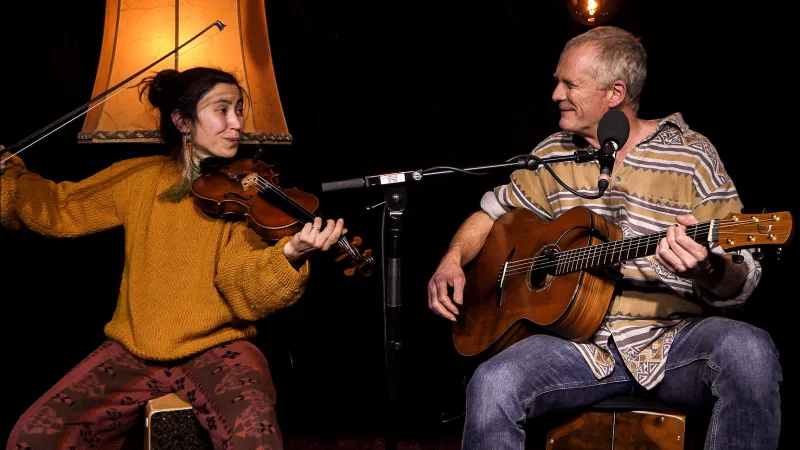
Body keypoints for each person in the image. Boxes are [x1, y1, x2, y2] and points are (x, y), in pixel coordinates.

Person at [427, 26, 781, 449]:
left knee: (749, 351)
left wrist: (708, 267)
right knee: (493, 382)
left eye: (569, 84)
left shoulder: (692, 154)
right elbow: (489, 214)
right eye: (557, 81)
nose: (555, 94)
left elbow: (742, 278)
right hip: (576, 349)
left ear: (614, 94)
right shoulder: (552, 153)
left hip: (673, 342)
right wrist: (451, 259)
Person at [1, 67, 346, 450]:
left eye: (239, 109)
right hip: (134, 348)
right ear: (182, 120)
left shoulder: (245, 196)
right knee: (34, 436)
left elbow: (242, 286)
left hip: (219, 348)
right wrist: (8, 174)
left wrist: (290, 254)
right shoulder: (140, 178)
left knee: (255, 438)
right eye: (222, 110)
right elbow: (58, 208)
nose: (236, 123)